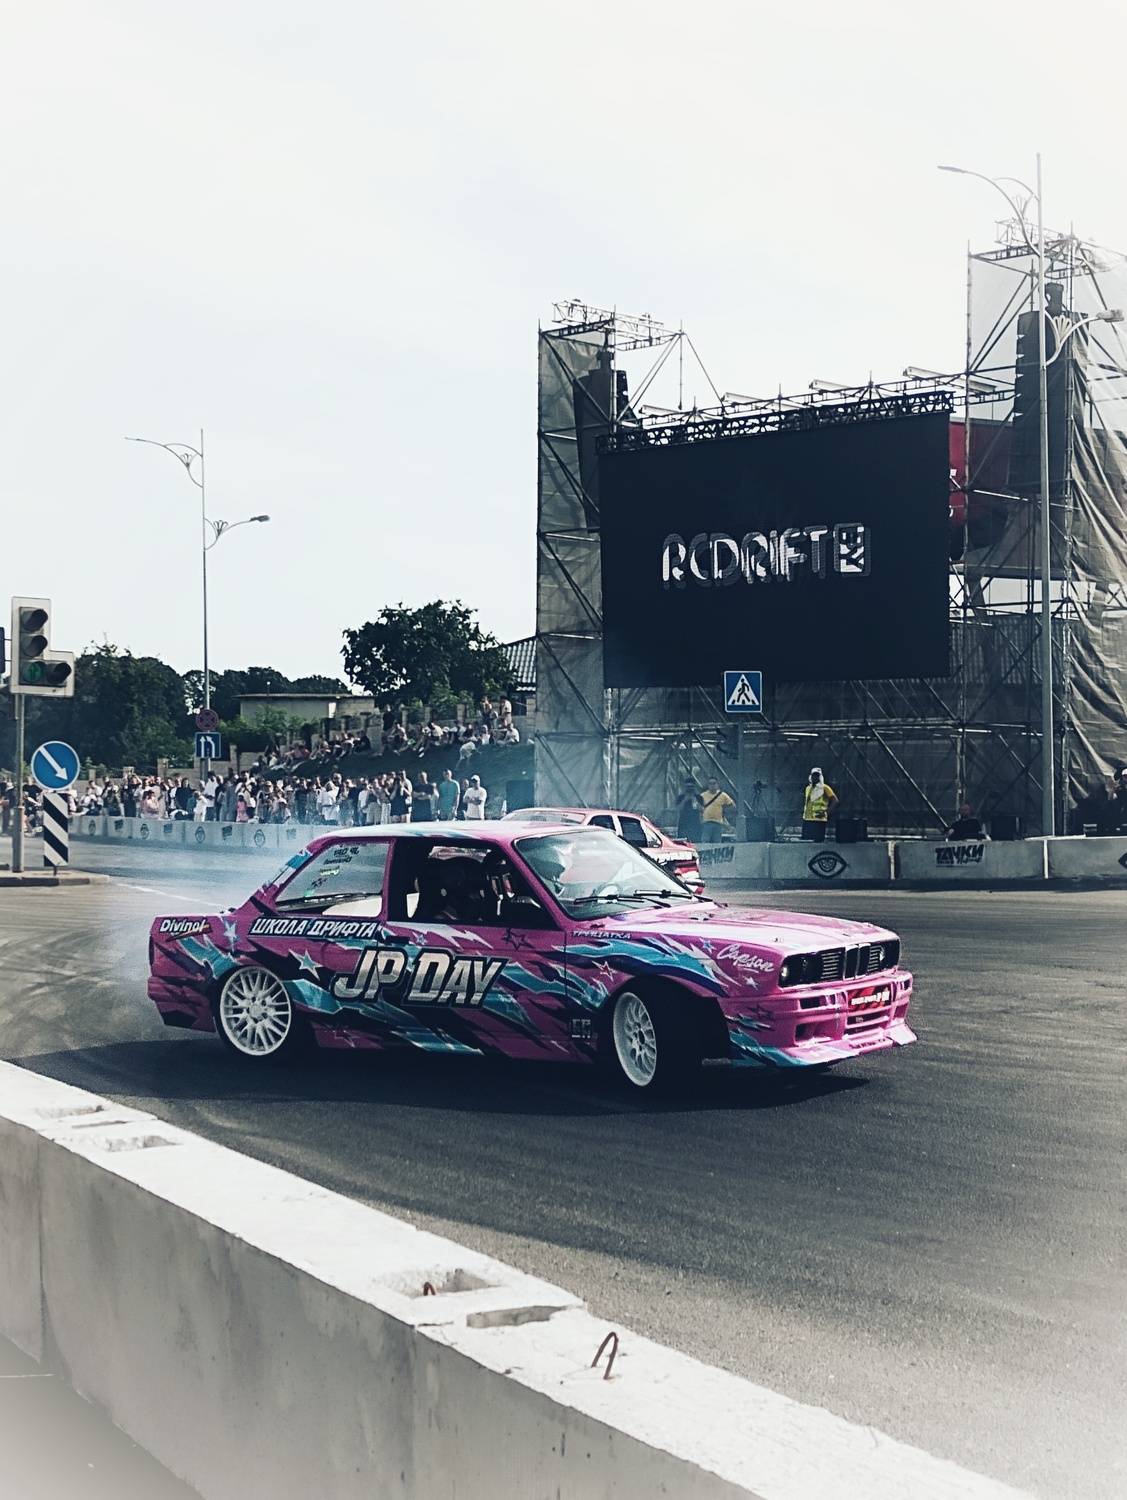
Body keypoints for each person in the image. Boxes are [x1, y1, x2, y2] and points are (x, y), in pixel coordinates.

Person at [801, 767, 837, 842]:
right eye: (814, 775)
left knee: (817, 843)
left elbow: (835, 801)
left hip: (819, 820)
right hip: (807, 820)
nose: (815, 777)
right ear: (811, 776)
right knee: (806, 842)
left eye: (817, 775)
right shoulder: (808, 788)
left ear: (820, 777)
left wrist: (826, 813)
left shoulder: (825, 788)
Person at [700, 779, 734, 844]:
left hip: (718, 822)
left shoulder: (723, 795)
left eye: (714, 783)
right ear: (708, 785)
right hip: (707, 822)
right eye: (710, 783)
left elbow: (732, 805)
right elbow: (697, 806)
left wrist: (724, 810)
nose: (712, 785)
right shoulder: (702, 795)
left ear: (717, 784)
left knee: (717, 842)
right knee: (705, 841)